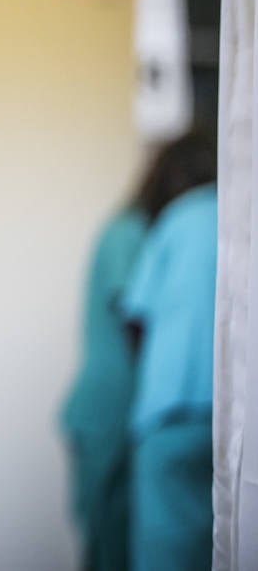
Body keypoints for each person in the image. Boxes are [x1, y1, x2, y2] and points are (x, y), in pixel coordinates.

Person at [60, 131, 217, 571]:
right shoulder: (131, 232)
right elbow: (138, 322)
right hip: (111, 412)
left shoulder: (167, 229)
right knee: (113, 548)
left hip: (143, 415)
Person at [119, 129, 217, 571]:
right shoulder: (244, 215)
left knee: (165, 555)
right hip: (233, 419)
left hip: (169, 412)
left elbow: (135, 314)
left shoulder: (176, 220)